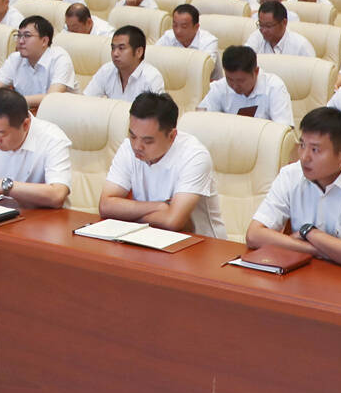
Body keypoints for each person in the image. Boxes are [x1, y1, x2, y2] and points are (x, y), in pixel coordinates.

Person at [245, 108, 341, 270]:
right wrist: (317, 249)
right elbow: (254, 235)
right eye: (302, 145)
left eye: (315, 150)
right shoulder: (291, 175)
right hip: (310, 273)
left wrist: (308, 232)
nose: (304, 157)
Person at [99, 92, 224, 237]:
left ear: (171, 136)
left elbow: (173, 222)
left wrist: (126, 216)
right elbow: (105, 206)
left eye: (148, 141)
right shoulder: (128, 147)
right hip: (148, 238)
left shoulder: (195, 156)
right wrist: (160, 207)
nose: (137, 146)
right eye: (132, 136)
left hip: (200, 243)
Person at [0, 15, 77, 108]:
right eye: (19, 35)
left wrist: (14, 101)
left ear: (44, 41)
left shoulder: (60, 58)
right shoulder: (15, 58)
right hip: (27, 112)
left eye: (27, 36)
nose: (20, 41)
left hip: (61, 112)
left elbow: (52, 98)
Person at [197, 45, 293, 123]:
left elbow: (284, 129)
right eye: (230, 79)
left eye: (241, 81)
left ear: (256, 72)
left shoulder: (274, 87)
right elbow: (201, 118)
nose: (235, 86)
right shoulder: (219, 87)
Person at [85, 25, 167, 101]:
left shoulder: (152, 77)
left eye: (121, 48)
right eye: (113, 48)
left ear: (139, 52)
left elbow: (158, 111)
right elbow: (86, 100)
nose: (115, 53)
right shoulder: (106, 70)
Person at [246, 0, 313, 58]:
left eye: (268, 26)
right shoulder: (256, 37)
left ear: (284, 22)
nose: (263, 30)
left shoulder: (301, 46)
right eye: (261, 25)